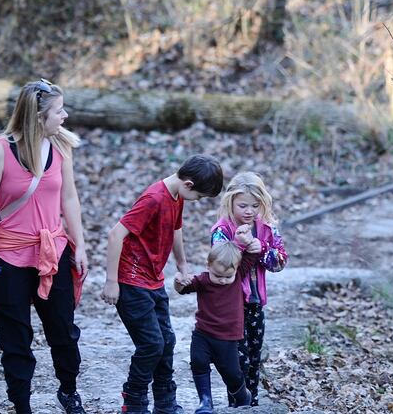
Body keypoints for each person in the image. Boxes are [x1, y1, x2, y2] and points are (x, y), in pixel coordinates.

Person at [0, 79, 89, 414]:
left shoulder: (61, 147)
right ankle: (21, 404)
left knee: (63, 332)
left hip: (53, 251)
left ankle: (68, 391)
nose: (64, 116)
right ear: (38, 117)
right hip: (8, 255)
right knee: (16, 340)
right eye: (58, 111)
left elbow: (69, 198)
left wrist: (79, 245)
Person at [101, 155, 223, 414]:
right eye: (200, 197)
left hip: (153, 281)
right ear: (188, 184)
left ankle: (165, 403)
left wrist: (182, 265)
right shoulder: (154, 198)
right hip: (131, 282)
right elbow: (115, 235)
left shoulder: (176, 196)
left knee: (166, 340)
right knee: (151, 344)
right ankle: (133, 400)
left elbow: (176, 229)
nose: (198, 201)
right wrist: (111, 282)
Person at [210, 171, 288, 406]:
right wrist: (239, 246)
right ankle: (237, 404)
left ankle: (251, 404)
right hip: (230, 305)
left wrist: (261, 248)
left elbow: (280, 262)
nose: (249, 211)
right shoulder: (222, 229)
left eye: (255, 205)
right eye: (243, 205)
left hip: (255, 303)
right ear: (230, 202)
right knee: (236, 359)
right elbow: (221, 266)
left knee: (254, 357)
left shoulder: (266, 228)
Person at [174, 241, 251, 413]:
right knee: (198, 362)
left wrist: (249, 240)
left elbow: (253, 254)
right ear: (208, 266)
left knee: (231, 373)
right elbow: (182, 288)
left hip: (228, 337)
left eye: (227, 277)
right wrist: (179, 281)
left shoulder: (238, 275)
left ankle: (242, 396)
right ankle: (205, 401)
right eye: (217, 275)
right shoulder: (202, 280)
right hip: (203, 333)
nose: (223, 280)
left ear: (237, 270)